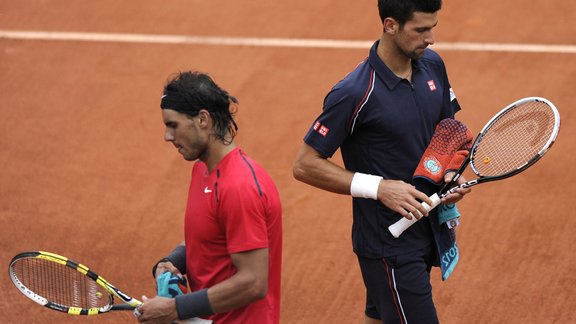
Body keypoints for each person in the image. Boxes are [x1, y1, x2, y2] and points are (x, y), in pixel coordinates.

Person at [293, 1, 471, 323]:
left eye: (432, 27)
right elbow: (305, 164)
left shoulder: (432, 65)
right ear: (390, 25)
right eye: (421, 29)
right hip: (389, 244)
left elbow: (447, 133)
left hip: (425, 225)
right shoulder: (354, 92)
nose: (431, 38)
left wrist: (449, 176)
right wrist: (379, 187)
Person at [136, 71, 282, 324]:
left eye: (173, 125)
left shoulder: (239, 187)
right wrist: (171, 262)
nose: (167, 137)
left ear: (203, 119)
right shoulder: (203, 169)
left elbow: (253, 282)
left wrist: (176, 308)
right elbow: (209, 236)